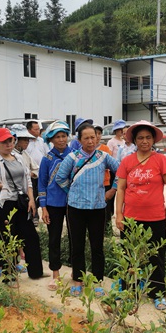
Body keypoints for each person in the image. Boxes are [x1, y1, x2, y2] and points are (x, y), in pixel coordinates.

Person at [115, 121, 166, 310]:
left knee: (156, 257)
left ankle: (157, 293)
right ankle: (129, 291)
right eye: (140, 138)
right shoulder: (127, 161)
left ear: (153, 140)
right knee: (130, 256)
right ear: (134, 140)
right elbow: (121, 188)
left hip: (155, 217)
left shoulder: (160, 160)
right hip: (131, 218)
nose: (144, 141)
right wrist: (119, 214)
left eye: (148, 137)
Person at [0, 128, 44, 280]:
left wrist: (31, 199)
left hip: (22, 203)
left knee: (31, 237)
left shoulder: (18, 157)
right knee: (7, 239)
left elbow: (28, 179)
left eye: (10, 141)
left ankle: (36, 273)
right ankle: (9, 275)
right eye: (4, 142)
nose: (8, 144)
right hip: (5, 204)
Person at [56, 123, 119, 297]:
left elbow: (121, 171)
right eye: (86, 138)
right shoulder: (72, 157)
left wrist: (112, 190)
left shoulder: (104, 156)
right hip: (75, 208)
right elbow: (60, 178)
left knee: (97, 246)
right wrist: (72, 191)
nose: (91, 141)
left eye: (93, 137)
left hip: (98, 208)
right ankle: (78, 279)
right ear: (79, 140)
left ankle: (98, 280)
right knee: (77, 245)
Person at [38, 121, 72, 291]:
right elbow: (42, 184)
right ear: (51, 139)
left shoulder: (75, 155)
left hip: (73, 203)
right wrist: (43, 207)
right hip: (53, 204)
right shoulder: (47, 159)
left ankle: (76, 271)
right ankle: (55, 273)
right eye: (57, 137)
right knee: (54, 238)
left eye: (63, 136)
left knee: (76, 238)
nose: (61, 140)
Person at [25, 121, 49, 223]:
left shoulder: (41, 141)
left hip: (41, 173)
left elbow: (47, 154)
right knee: (32, 195)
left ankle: (42, 210)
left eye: (39, 129)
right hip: (30, 174)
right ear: (29, 130)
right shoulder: (26, 143)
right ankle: (34, 216)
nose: (38, 131)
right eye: (36, 129)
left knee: (42, 193)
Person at [95, 123, 116, 231]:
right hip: (93, 184)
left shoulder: (105, 148)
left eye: (99, 133)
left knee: (106, 208)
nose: (98, 136)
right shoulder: (85, 149)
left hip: (105, 182)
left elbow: (113, 166)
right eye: (96, 133)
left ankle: (107, 230)